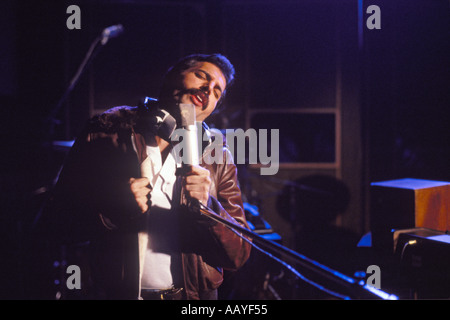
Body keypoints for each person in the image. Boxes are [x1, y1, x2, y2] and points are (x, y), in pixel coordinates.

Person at [44, 53, 251, 300]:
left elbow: (238, 254)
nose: (208, 89)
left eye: (218, 91)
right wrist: (113, 206)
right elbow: (58, 222)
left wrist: (209, 207)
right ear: (173, 74)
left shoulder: (218, 153)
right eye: (201, 76)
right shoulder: (106, 130)